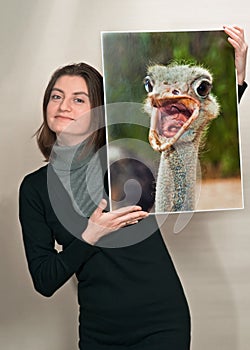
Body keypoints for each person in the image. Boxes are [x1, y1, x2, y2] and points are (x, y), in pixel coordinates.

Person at [19, 25, 247, 350]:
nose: (63, 105)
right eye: (56, 96)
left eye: (78, 99)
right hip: (100, 331)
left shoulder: (126, 164)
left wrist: (236, 76)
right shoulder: (35, 189)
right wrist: (89, 236)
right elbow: (45, 279)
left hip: (162, 321)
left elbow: (185, 134)